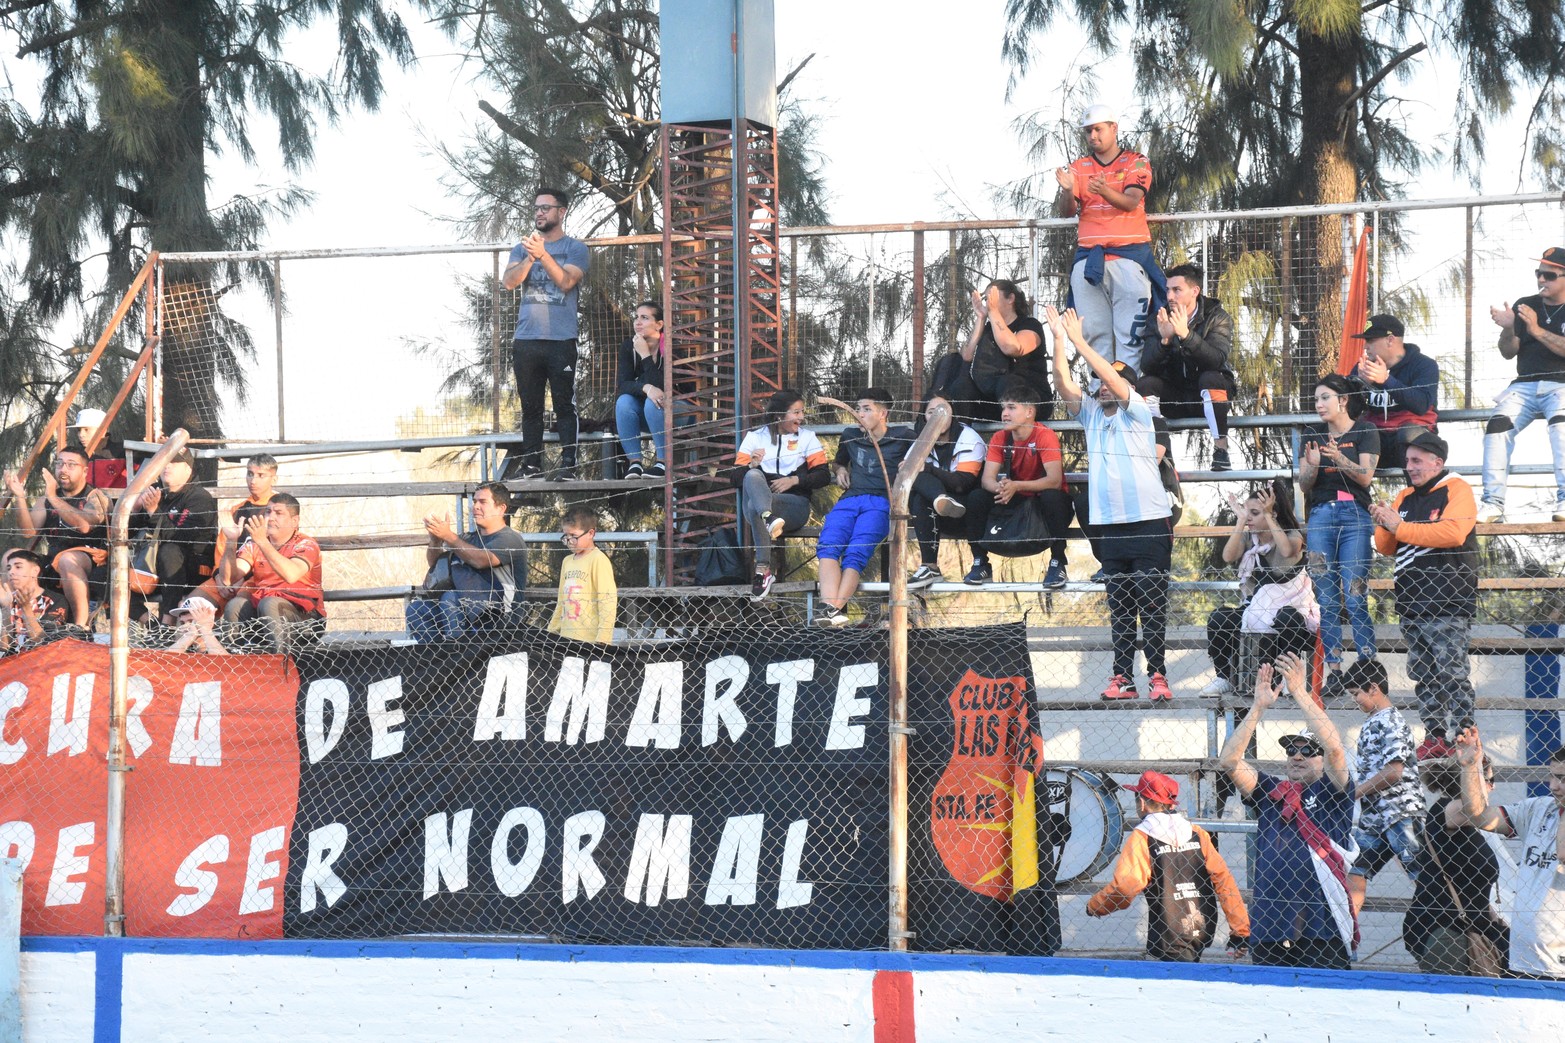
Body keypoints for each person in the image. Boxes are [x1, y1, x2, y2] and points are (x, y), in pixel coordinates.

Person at [1049, 306, 1172, 702]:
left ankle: (1158, 675)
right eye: (1099, 382)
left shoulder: (1137, 412)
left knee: (1151, 603)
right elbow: (1065, 386)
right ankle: (1123, 677)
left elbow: (1115, 382)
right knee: (1120, 608)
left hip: (1149, 521)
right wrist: (1058, 340)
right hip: (1110, 526)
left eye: (1109, 381)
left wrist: (1082, 342)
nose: (1102, 387)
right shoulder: (1091, 415)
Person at [1219, 653, 1358, 970]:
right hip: (1270, 930)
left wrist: (1300, 692)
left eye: (1308, 750)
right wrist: (1258, 707)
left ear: (1320, 760)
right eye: (1291, 750)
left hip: (1321, 931)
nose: (1297, 756)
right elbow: (1228, 761)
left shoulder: (1332, 791)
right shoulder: (1272, 791)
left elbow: (1335, 748)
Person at [1369, 431, 1477, 760]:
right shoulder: (1403, 497)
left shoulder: (1457, 488)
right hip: (1412, 603)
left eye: (1417, 461)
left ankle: (1463, 735)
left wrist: (1398, 527)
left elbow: (1453, 532)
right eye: (1407, 462)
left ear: (1437, 462)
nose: (1410, 467)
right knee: (1424, 675)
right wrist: (1384, 522)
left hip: (1448, 600)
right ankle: (1433, 735)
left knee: (1452, 673)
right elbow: (1387, 547)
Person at [1086, 771, 1250, 962]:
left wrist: (1096, 906)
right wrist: (1240, 931)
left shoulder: (1143, 836)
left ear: (1141, 803)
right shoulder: (1197, 833)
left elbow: (1126, 886)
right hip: (1203, 927)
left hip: (1168, 932)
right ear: (1172, 804)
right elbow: (1224, 881)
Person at [1054, 103, 1166, 374]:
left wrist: (1104, 190)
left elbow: (1131, 202)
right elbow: (1068, 211)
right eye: (1088, 131)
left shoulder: (1136, 161)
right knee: (1094, 337)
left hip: (1129, 258)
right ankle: (1099, 395)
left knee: (1131, 337)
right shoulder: (1079, 167)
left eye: (1098, 129)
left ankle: (1131, 398)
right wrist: (1068, 191)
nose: (1093, 136)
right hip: (1089, 259)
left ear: (1113, 129)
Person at [1452, 726, 1565, 979]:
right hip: (1523, 957)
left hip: (1559, 964)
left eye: (1563, 779)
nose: (1554, 786)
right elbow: (1479, 816)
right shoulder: (1539, 808)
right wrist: (1470, 767)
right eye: (1552, 776)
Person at [1298, 373, 1380, 695]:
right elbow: (1304, 484)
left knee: (1355, 593)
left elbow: (1365, 477)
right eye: (1316, 399)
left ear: (1343, 400)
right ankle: (1334, 668)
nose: (1319, 405)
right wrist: (1315, 465)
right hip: (1321, 516)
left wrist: (1340, 458)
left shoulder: (1365, 430)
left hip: (1355, 516)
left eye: (1325, 398)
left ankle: (1367, 665)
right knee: (1326, 597)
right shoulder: (1312, 434)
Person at [502, 186, 590, 481]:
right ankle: (531, 464)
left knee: (564, 403)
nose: (539, 213)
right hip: (527, 340)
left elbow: (566, 282)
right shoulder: (522, 248)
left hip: (561, 340)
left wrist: (544, 256)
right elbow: (509, 283)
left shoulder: (576, 248)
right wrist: (530, 258)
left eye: (545, 208)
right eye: (536, 208)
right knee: (531, 406)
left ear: (561, 212)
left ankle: (568, 464)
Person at [1202, 480, 1317, 698]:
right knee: (1220, 618)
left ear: (1272, 513)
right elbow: (1228, 556)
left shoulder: (1293, 536)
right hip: (1257, 610)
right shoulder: (1249, 539)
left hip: (1293, 615)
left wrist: (1270, 517)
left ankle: (1288, 678)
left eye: (1255, 513)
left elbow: (1285, 551)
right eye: (1248, 513)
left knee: (1287, 618)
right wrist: (1240, 520)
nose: (1250, 518)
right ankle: (1224, 677)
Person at [816, 388, 917, 626]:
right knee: (828, 545)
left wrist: (911, 464)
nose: (858, 414)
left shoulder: (904, 436)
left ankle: (830, 609)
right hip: (850, 500)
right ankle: (830, 609)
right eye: (858, 408)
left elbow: (922, 457)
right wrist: (839, 470)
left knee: (856, 552)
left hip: (882, 502)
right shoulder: (850, 435)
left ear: (883, 413)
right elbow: (839, 461)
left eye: (866, 409)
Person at [1479, 246, 1565, 522]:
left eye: (1549, 275)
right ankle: (1493, 502)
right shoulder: (1525, 303)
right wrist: (1509, 327)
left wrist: (1536, 330)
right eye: (1539, 273)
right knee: (1496, 426)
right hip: (1524, 384)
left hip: (1561, 383)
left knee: (1561, 427)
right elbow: (1508, 351)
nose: (1541, 280)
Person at [1402, 755, 1509, 976]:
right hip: (1446, 930)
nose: (1493, 786)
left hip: (1470, 925)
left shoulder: (1466, 823)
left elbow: (1468, 881)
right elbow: (1476, 809)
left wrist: (1492, 915)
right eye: (1488, 780)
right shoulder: (1451, 811)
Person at [960, 380, 1073, 589]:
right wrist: (1001, 489)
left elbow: (1055, 480)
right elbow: (987, 480)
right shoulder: (999, 437)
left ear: (1030, 412)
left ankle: (1058, 562)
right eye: (1003, 408)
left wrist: (1016, 486)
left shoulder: (1044, 436)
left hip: (1043, 503)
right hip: (1014, 499)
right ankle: (980, 562)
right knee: (977, 497)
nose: (1005, 413)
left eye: (1012, 408)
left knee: (1053, 497)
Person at [1342, 658, 1424, 919]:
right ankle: (1346, 931)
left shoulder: (1390, 722)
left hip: (1401, 813)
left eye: (1357, 694)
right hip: (1376, 816)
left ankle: (1444, 931)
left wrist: (1354, 792)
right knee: (1355, 871)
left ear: (1374, 688)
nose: (1355, 700)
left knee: (1424, 877)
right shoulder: (1374, 720)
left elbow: (1394, 772)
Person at [730, 390, 830, 600]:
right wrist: (752, 464)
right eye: (796, 412)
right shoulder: (754, 438)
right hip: (763, 503)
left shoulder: (807, 438)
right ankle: (768, 517)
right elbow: (735, 478)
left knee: (753, 508)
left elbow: (823, 476)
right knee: (753, 475)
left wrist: (795, 480)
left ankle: (763, 569)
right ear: (779, 415)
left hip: (794, 505)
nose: (801, 417)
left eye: (801, 412)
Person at [1139, 262, 1238, 471]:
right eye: (1168, 290)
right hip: (1175, 396)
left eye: (1177, 290)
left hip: (1208, 397)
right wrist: (1165, 341)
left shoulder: (1217, 317)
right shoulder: (1159, 318)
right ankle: (1157, 453)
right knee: (1146, 384)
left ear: (1195, 291)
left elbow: (1216, 360)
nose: (1170, 296)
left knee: (1211, 378)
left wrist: (1186, 335)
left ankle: (1221, 450)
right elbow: (1147, 365)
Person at [406, 482, 527, 641]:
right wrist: (435, 541)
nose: (475, 506)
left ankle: (457, 654)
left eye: (482, 502)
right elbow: (437, 566)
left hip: (496, 618)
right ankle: (438, 657)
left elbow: (481, 560)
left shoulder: (510, 539)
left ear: (501, 508)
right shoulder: (467, 539)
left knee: (450, 598)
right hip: (459, 612)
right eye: (474, 501)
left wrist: (449, 536)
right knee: (416, 610)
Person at [5, 447, 111, 627]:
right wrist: (20, 497)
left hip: (90, 557)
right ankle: (13, 626)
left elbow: (84, 526)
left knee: (67, 560)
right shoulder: (44, 500)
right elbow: (28, 532)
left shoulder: (95, 496)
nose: (63, 469)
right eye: (59, 463)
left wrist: (53, 497)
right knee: (12, 557)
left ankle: (80, 627)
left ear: (84, 471)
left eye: (71, 465)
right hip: (53, 557)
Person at [930, 280, 1051, 424]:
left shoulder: (1030, 325)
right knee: (961, 386)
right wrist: (981, 318)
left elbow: (1012, 348)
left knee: (1007, 381)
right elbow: (967, 356)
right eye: (986, 298)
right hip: (992, 401)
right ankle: (961, 436)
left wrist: (993, 312)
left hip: (1029, 399)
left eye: (992, 296)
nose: (988, 302)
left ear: (1010, 299)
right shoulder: (987, 329)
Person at [220, 492, 324, 652]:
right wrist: (231, 541)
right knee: (235, 606)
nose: (271, 517)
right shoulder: (255, 544)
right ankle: (236, 664)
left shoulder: (306, 544)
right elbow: (229, 578)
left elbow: (291, 574)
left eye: (279, 513)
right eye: (268, 512)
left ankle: (279, 664)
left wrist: (262, 541)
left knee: (269, 603)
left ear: (294, 521)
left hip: (305, 620)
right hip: (263, 615)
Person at [905, 393, 988, 588]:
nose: (937, 417)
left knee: (920, 472)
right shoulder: (920, 440)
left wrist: (928, 469)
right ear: (924, 416)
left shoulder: (968, 437)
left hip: (967, 509)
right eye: (931, 412)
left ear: (953, 414)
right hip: (936, 516)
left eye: (943, 411)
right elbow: (906, 472)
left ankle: (940, 500)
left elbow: (962, 484)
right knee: (918, 493)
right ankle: (930, 566)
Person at [128, 446, 218, 623]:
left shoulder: (200, 498)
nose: (167, 466)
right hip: (152, 567)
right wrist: (136, 509)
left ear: (188, 468)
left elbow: (182, 539)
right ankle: (150, 623)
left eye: (174, 462)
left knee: (170, 551)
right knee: (105, 572)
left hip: (193, 568)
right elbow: (126, 533)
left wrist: (155, 511)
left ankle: (167, 624)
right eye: (164, 462)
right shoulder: (155, 492)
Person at [1351, 313, 1440, 471]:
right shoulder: (1364, 368)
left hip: (1413, 441)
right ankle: (1351, 496)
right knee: (1347, 439)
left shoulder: (1424, 365)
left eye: (1370, 340)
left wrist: (1386, 380)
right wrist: (1359, 385)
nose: (1365, 346)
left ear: (1390, 339)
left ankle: (1418, 496)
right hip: (1377, 441)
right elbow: (1347, 408)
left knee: (1408, 433)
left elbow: (1421, 404)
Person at [614, 300, 670, 480]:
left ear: (659, 324)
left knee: (653, 402)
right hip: (648, 414)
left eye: (644, 318)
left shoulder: (670, 347)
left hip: (677, 412)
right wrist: (646, 387)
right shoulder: (628, 347)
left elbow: (662, 389)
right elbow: (623, 385)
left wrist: (645, 355)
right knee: (624, 402)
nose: (637, 322)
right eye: (636, 317)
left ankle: (663, 462)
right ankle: (635, 463)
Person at [548, 506, 616, 644]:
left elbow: (607, 602)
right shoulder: (567, 561)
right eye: (566, 536)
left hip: (590, 641)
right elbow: (561, 600)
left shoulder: (598, 559)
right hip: (566, 639)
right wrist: (551, 632)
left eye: (573, 536)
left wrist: (603, 640)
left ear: (590, 533)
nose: (569, 541)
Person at [0, 549, 66, 654]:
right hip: (11, 665)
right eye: (8, 568)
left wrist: (26, 609)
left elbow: (43, 643)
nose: (11, 572)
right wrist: (5, 609)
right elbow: (4, 647)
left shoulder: (55, 601)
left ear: (35, 571)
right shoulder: (7, 599)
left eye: (18, 567)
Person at [69, 407, 128, 492]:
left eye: (86, 429)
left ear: (103, 430)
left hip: (117, 504)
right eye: (79, 430)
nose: (81, 434)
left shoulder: (122, 452)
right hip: (80, 504)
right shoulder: (74, 455)